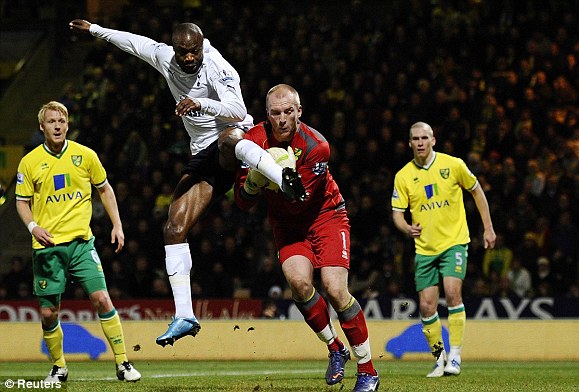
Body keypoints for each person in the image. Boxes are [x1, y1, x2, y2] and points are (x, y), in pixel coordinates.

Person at [69, 19, 307, 347]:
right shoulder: (165, 57)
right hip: (204, 155)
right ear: (175, 49)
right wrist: (95, 30)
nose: (190, 58)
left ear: (201, 45)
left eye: (194, 51)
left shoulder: (218, 67)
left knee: (227, 141)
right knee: (173, 227)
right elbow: (132, 41)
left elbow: (238, 110)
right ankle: (184, 316)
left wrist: (201, 103)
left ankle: (282, 178)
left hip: (237, 138)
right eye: (184, 52)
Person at [234, 84, 379, 391]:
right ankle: (335, 347)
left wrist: (270, 175)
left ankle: (368, 370)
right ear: (267, 115)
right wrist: (251, 185)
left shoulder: (318, 146)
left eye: (289, 111)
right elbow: (242, 202)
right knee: (299, 285)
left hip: (326, 216)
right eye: (276, 113)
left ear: (299, 111)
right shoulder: (253, 141)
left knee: (335, 289)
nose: (283, 119)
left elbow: (300, 198)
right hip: (288, 227)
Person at [14, 101, 141, 382]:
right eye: (51, 121)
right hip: (47, 248)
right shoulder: (30, 162)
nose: (57, 125)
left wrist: (117, 225)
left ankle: (123, 363)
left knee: (102, 299)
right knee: (49, 313)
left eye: (61, 120)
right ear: (42, 126)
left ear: (68, 125)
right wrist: (33, 227)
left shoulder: (85, 156)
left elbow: (105, 189)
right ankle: (59, 367)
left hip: (82, 244)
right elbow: (21, 202)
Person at [391, 121, 496, 377]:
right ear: (409, 143)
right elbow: (397, 213)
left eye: (424, 138)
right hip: (425, 249)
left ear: (433, 140)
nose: (420, 143)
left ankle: (456, 356)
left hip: (454, 242)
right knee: (427, 306)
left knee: (451, 293)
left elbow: (477, 191)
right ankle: (440, 359)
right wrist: (406, 228)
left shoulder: (454, 165)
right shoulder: (403, 176)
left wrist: (488, 228)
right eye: (415, 139)